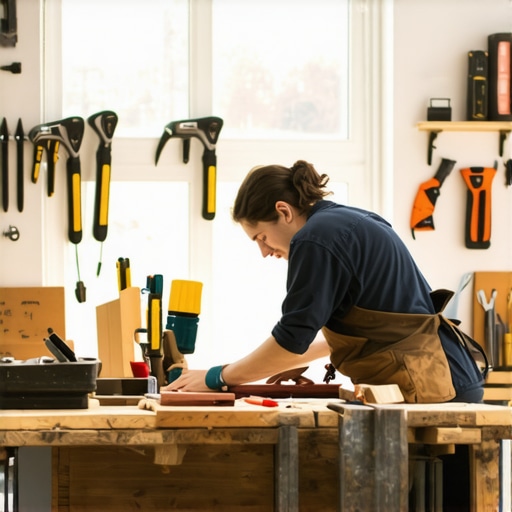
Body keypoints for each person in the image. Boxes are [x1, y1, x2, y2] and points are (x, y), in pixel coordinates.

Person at [164, 160, 486, 403]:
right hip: (447, 375)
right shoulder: (343, 221)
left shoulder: (315, 239)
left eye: (261, 237)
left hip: (437, 387)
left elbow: (291, 339)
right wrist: (277, 362)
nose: (264, 251)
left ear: (284, 211)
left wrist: (217, 376)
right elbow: (323, 341)